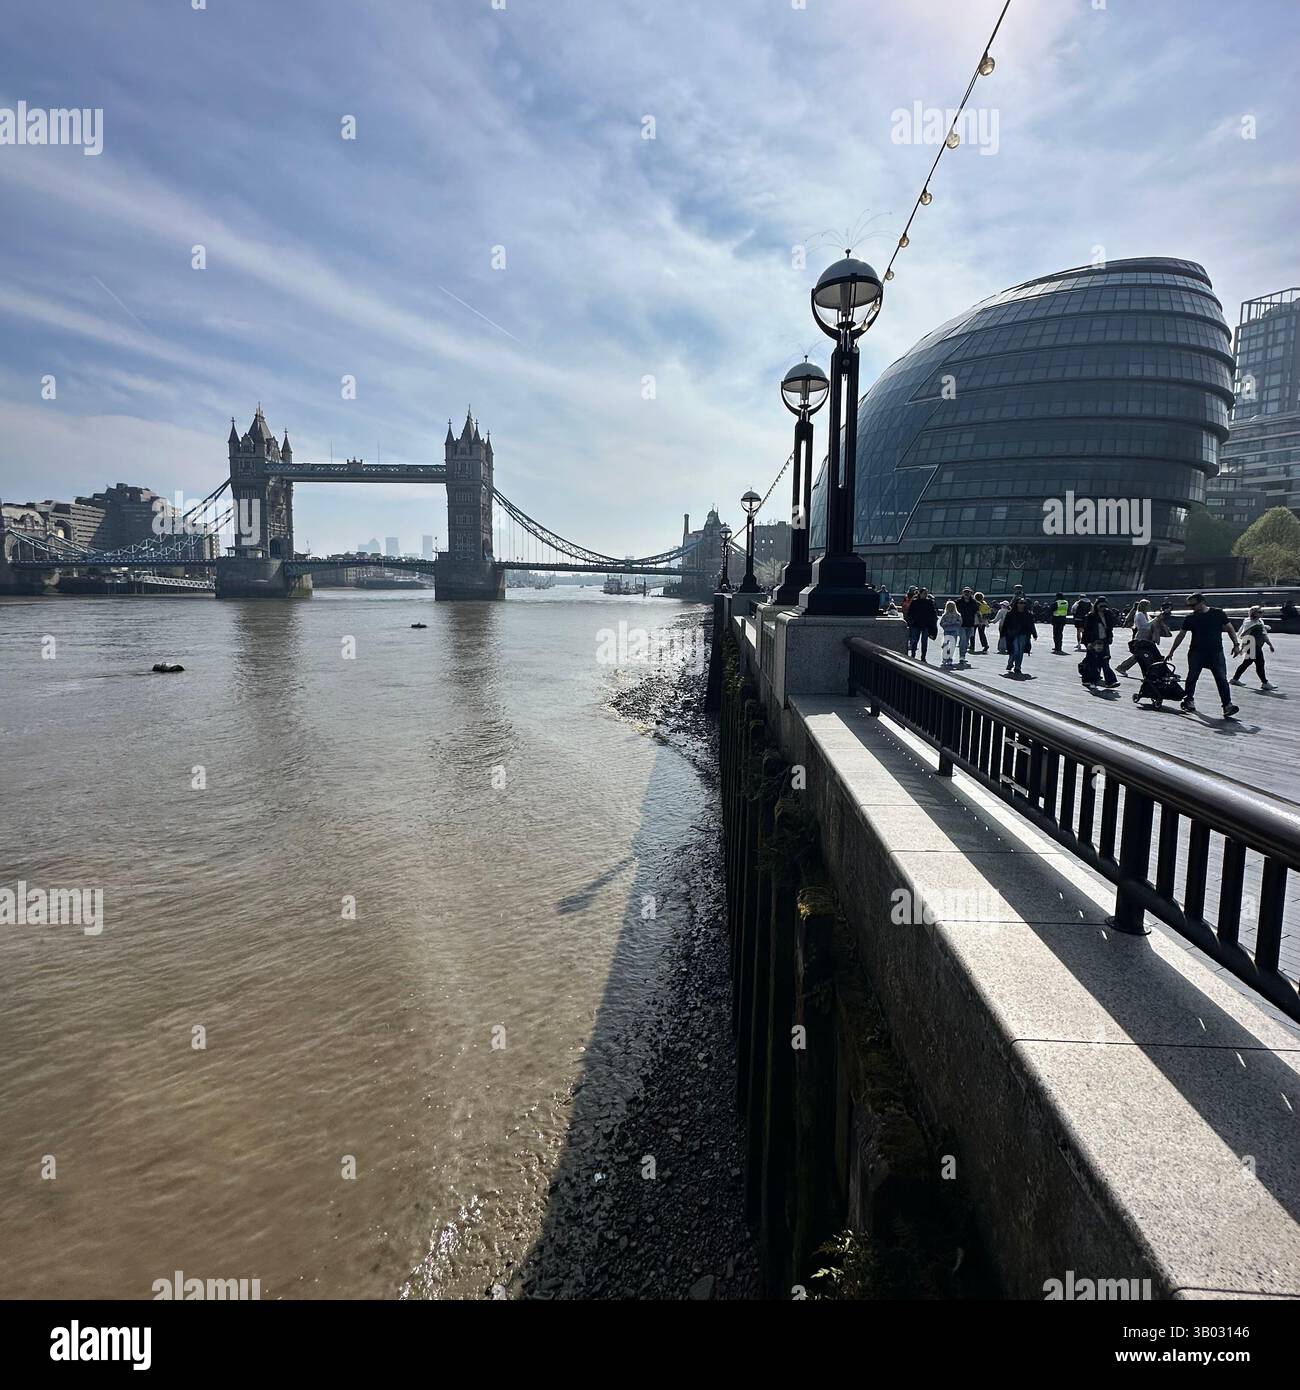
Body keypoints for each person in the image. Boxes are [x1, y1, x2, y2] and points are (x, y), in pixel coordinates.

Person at [1167, 593, 1240, 718]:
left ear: (1202, 602)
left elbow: (1230, 628)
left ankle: (1227, 705)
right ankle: (1189, 700)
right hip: (1196, 652)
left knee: (1221, 679)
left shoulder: (1218, 613)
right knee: (1192, 677)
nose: (1191, 608)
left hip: (1216, 652)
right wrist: (1172, 651)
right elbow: (1181, 635)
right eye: (1189, 605)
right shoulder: (1190, 618)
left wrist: (1236, 644)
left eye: (1193, 605)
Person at [1232, 606, 1276, 689]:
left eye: (1262, 611)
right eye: (1259, 612)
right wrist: (1242, 647)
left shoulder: (1259, 622)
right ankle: (1265, 682)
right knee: (1260, 663)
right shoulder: (1250, 623)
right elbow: (1245, 635)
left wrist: (1270, 644)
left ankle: (1235, 679)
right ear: (1254, 613)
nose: (1262, 613)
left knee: (1247, 663)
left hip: (1256, 646)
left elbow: (1264, 635)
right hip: (1252, 646)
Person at [1081, 595, 1120, 688]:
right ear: (1096, 605)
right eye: (1101, 606)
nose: (1103, 608)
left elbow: (1112, 625)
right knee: (1092, 661)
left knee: (1105, 660)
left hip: (1104, 640)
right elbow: (1087, 630)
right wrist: (1088, 642)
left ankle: (1110, 681)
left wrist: (1111, 615)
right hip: (1094, 641)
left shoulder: (1107, 614)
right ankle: (1090, 680)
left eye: (1104, 606)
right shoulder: (1091, 616)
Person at [1116, 598, 1154, 675]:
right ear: (1144, 606)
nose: (1149, 607)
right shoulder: (1139, 614)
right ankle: (1151, 672)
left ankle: (1123, 667)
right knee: (1145, 655)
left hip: (1147, 636)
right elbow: (1144, 626)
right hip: (1142, 637)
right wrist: (1156, 620)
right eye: (1148, 606)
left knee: (1140, 655)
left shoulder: (1145, 614)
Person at [1001, 596, 1037, 677]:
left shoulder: (1028, 614)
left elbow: (1031, 625)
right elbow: (1005, 624)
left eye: (1024, 603)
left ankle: (1017, 667)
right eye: (1020, 603)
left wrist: (1034, 634)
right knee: (1015, 650)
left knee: (1020, 651)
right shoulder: (1010, 614)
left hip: (1023, 634)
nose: (1022, 605)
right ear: (1016, 604)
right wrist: (1002, 634)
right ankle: (1010, 662)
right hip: (1012, 634)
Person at [907, 587, 938, 660]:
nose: (925, 595)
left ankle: (923, 656)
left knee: (924, 641)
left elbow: (933, 613)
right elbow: (910, 612)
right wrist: (911, 621)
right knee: (914, 640)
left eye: (926, 593)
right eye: (924, 593)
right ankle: (913, 654)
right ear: (920, 594)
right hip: (916, 624)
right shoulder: (915, 602)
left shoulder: (929, 602)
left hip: (926, 625)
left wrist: (933, 623)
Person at [956, 586, 979, 661]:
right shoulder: (958, 601)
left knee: (966, 641)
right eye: (965, 592)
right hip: (961, 624)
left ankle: (963, 654)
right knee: (963, 639)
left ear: (971, 593)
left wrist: (980, 620)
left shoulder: (973, 602)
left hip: (970, 624)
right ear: (962, 593)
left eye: (968, 592)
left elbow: (977, 611)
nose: (966, 594)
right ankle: (961, 656)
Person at [940, 599, 964, 668]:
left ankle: (950, 658)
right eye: (949, 606)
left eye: (952, 606)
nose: (950, 608)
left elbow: (960, 622)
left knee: (952, 645)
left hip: (954, 631)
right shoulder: (945, 615)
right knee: (946, 645)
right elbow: (941, 623)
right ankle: (945, 658)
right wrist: (946, 624)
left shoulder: (957, 615)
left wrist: (955, 623)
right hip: (947, 631)